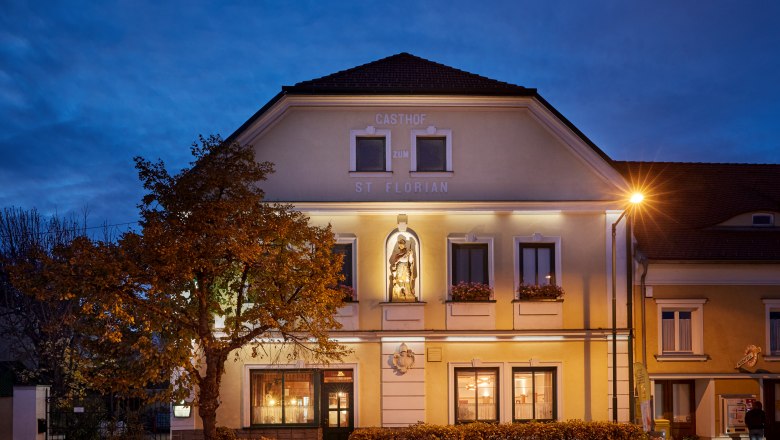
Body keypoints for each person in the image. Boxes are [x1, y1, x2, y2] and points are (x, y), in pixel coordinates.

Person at [389, 235, 417, 301]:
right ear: (398, 246)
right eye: (400, 244)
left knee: (407, 282)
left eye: (402, 244)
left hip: (405, 269)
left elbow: (410, 261)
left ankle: (408, 294)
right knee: (399, 282)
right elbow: (393, 263)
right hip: (399, 270)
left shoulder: (408, 253)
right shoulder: (397, 255)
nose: (401, 246)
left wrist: (411, 255)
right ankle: (399, 295)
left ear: (404, 245)